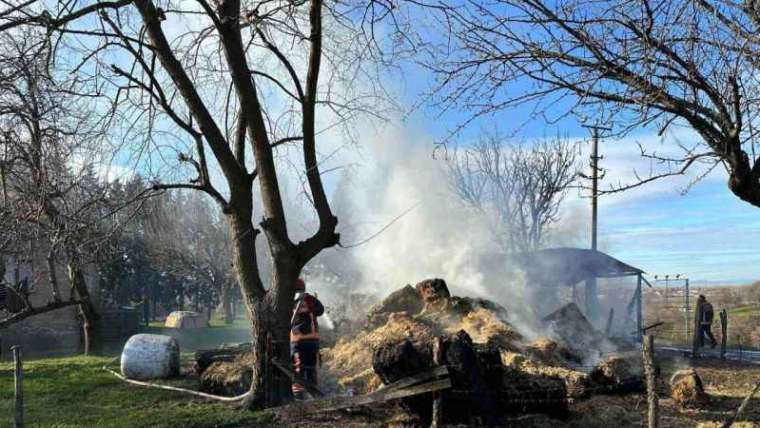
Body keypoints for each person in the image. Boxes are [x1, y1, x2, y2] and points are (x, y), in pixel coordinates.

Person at [290, 278, 324, 400]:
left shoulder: (286, 301)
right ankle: (313, 390)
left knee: (298, 366)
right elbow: (320, 311)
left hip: (296, 340)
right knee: (312, 366)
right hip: (312, 339)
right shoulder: (310, 299)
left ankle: (299, 393)